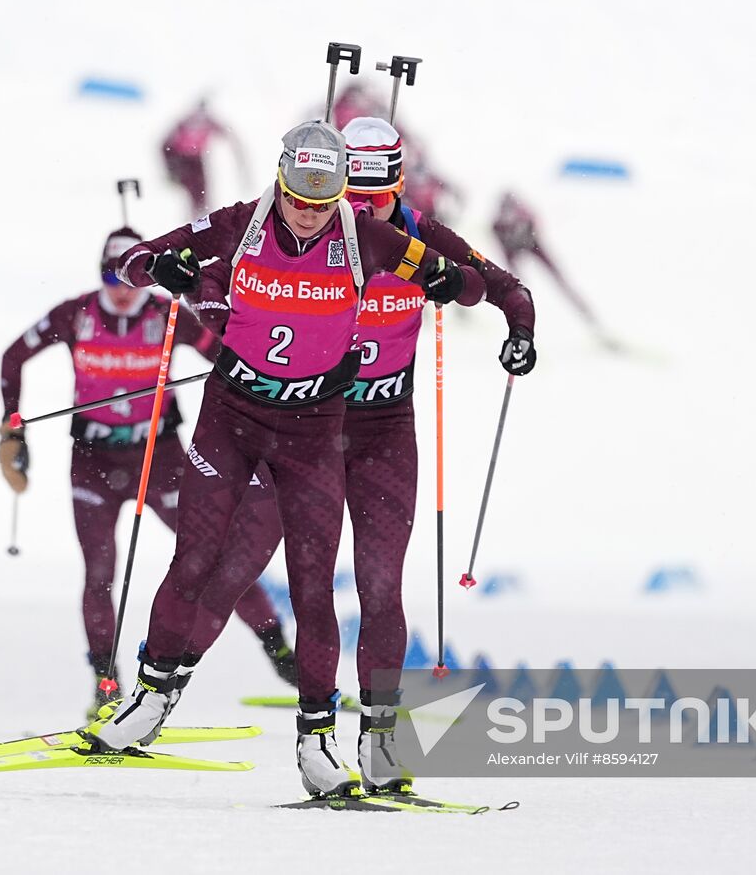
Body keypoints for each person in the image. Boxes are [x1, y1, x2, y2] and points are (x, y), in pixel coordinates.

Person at [89, 119, 486, 797]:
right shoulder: (239, 223)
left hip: (313, 429)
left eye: (320, 200)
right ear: (279, 183)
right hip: (232, 418)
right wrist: (163, 267)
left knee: (311, 587)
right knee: (194, 558)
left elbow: (466, 283)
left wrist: (451, 281)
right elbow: (131, 262)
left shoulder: (368, 238)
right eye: (296, 197)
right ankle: (149, 701)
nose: (306, 213)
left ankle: (318, 744)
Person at [175, 116, 536, 794]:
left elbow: (506, 288)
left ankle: (379, 740)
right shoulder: (313, 229)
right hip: (299, 423)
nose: (355, 210)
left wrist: (520, 334)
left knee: (378, 589)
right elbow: (226, 287)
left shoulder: (418, 239)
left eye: (371, 197)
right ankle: (152, 696)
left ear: (397, 185)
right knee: (229, 567)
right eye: (349, 194)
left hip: (379, 433)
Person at [0, 227, 296, 713]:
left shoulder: (168, 312)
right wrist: (12, 426)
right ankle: (105, 683)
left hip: (160, 459)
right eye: (110, 276)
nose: (120, 289)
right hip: (93, 460)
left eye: (129, 277)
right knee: (99, 572)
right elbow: (13, 358)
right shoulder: (76, 313)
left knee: (212, 559)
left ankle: (281, 652)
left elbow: (225, 354)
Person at [492, 190, 616, 347]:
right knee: (516, 290)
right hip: (517, 247)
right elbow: (504, 253)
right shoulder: (497, 225)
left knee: (561, 282)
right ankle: (519, 331)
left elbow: (536, 228)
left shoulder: (524, 215)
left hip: (532, 244)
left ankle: (592, 321)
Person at [160, 99, 246, 218]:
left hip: (195, 159)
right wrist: (171, 168)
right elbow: (165, 145)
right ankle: (197, 219)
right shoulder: (185, 122)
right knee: (195, 191)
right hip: (182, 160)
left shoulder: (207, 121)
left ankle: (202, 217)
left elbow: (228, 134)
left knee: (201, 191)